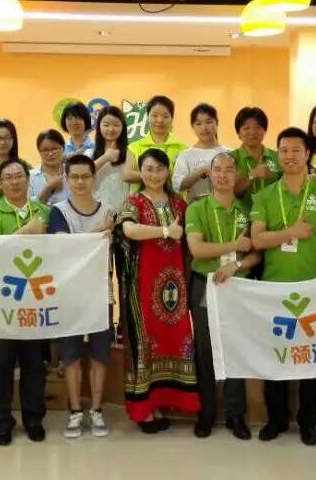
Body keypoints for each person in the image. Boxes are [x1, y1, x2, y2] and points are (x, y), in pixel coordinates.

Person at [249, 127, 316, 446]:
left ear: (307, 155)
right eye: (283, 150)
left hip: (313, 290)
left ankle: (308, 422)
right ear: (277, 155)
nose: (289, 156)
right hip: (273, 289)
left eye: (296, 150)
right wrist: (290, 232)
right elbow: (257, 239)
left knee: (311, 359)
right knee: (276, 357)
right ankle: (275, 419)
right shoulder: (264, 195)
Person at [116, 148, 200, 432]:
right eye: (148, 169)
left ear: (168, 171)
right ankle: (145, 409)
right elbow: (129, 230)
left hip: (175, 287)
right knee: (146, 343)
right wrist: (165, 232)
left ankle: (165, 402)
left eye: (159, 169)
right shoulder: (134, 202)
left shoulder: (179, 204)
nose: (154, 175)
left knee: (175, 340)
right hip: (143, 286)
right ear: (141, 172)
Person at [185, 152, 260, 440]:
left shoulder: (248, 209)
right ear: (210, 174)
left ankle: (235, 414)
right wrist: (234, 246)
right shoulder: (197, 208)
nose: (223, 175)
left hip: (238, 285)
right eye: (218, 169)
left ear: (237, 175)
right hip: (205, 284)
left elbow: (256, 254)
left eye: (229, 170)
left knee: (235, 349)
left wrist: (236, 264)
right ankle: (205, 413)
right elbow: (197, 250)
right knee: (205, 350)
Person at [0, 159, 51, 446]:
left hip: (36, 298)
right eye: (7, 177)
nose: (14, 181)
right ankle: (1, 422)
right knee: (1, 364)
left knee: (34, 363)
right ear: (0, 183)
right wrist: (27, 231)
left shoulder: (44, 211)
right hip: (2, 299)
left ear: (27, 179)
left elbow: (62, 248)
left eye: (19, 176)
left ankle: (34, 419)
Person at [47, 154, 115, 439]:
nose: (80, 182)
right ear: (66, 179)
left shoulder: (108, 211)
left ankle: (96, 410)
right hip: (69, 294)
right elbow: (64, 247)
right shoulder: (58, 211)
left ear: (93, 178)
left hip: (101, 293)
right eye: (74, 177)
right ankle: (75, 411)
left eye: (85, 176)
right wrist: (97, 234)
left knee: (100, 354)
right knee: (71, 355)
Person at [172, 103, 231, 202]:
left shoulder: (229, 153)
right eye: (198, 124)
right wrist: (201, 171)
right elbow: (178, 186)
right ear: (193, 127)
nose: (204, 127)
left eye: (209, 122)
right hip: (195, 208)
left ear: (217, 123)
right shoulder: (186, 155)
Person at [125, 95, 188, 184]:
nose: (160, 120)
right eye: (155, 115)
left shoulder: (183, 149)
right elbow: (127, 175)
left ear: (172, 119)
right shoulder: (133, 148)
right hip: (142, 194)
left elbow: (186, 180)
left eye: (165, 116)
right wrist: (161, 175)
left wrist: (148, 176)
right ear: (147, 117)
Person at [231, 106, 281, 208]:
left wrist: (273, 176)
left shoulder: (278, 157)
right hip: (241, 214)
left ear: (265, 131)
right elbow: (228, 193)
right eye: (246, 128)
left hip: (273, 214)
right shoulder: (230, 159)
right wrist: (251, 176)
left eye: (257, 127)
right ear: (238, 133)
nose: (252, 132)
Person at [91, 105, 132, 213]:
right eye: (106, 125)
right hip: (96, 211)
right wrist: (106, 157)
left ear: (123, 127)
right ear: (99, 126)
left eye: (116, 125)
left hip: (124, 212)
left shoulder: (130, 151)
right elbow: (85, 172)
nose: (111, 129)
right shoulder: (90, 153)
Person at [29, 129, 69, 206]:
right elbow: (27, 207)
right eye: (45, 150)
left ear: (63, 148)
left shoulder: (72, 172)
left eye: (54, 148)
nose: (50, 153)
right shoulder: (30, 176)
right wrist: (49, 187)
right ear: (39, 151)